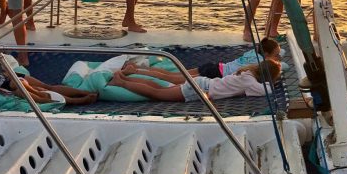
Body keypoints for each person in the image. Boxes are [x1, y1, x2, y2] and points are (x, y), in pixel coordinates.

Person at [110, 59, 281, 102]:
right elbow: (266, 91)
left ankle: (126, 78)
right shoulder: (250, 83)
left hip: (203, 82)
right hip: (199, 89)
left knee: (161, 86)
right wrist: (273, 83)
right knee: (157, 93)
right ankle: (122, 82)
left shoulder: (246, 74)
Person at [131, 37, 284, 80]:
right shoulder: (260, 63)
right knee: (173, 78)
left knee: (175, 74)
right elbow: (276, 69)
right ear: (266, 55)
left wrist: (275, 55)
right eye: (276, 55)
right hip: (215, 74)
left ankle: (139, 69)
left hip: (215, 66)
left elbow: (274, 56)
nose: (278, 57)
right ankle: (136, 71)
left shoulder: (253, 53)